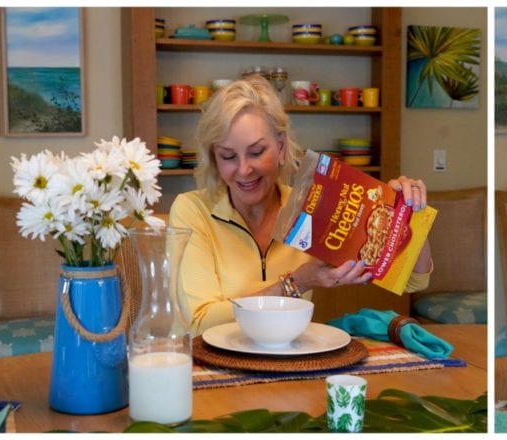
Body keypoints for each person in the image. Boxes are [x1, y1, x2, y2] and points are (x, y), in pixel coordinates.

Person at [170, 77, 432, 334]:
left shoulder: (313, 206)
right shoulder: (192, 210)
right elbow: (200, 324)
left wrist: (409, 214)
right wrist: (299, 281)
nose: (243, 169)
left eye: (256, 152)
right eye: (227, 156)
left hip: (287, 362)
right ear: (214, 159)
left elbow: (413, 280)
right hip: (206, 368)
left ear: (281, 147)